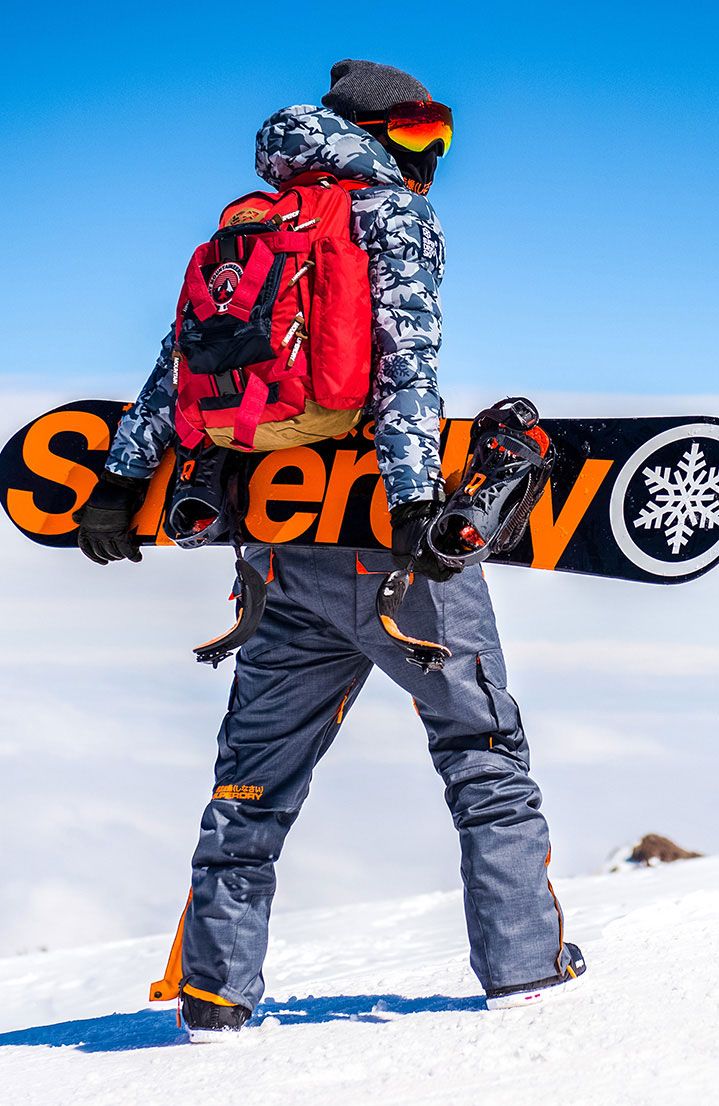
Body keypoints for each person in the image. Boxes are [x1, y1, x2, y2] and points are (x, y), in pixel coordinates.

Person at [76, 59, 585, 1040]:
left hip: (274, 547)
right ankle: (525, 971)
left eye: (439, 136)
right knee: (482, 753)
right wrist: (407, 496)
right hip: (387, 552)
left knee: (249, 783)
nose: (429, 155)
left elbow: (173, 368)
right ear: (371, 132)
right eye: (418, 132)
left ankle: (215, 998)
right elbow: (406, 368)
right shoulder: (386, 215)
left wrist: (117, 479)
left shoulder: (247, 222)